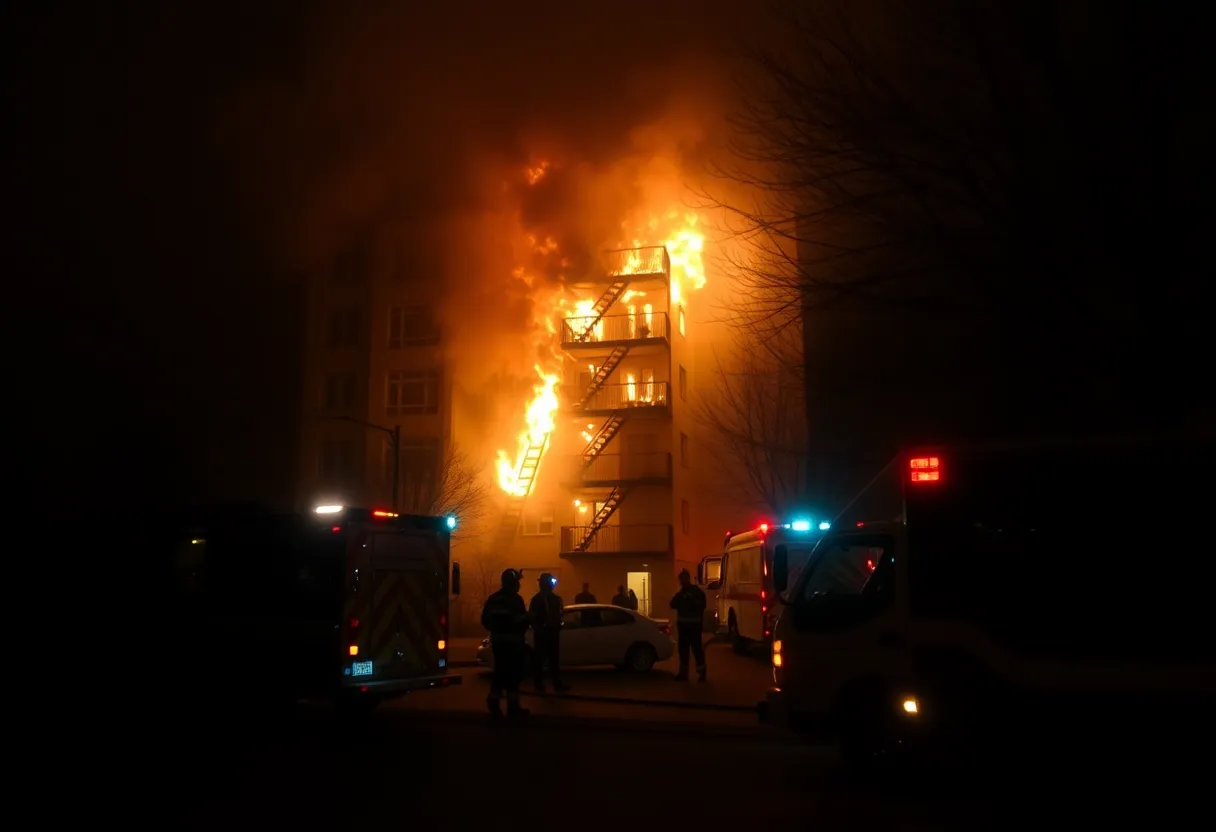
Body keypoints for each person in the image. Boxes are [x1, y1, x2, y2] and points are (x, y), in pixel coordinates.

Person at [481, 568, 532, 718]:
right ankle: (511, 706)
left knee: (501, 673)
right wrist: (528, 619)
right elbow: (520, 620)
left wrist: (496, 631)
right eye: (517, 581)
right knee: (514, 675)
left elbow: (485, 620)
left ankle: (496, 702)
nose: (518, 585)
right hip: (513, 643)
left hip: (499, 642)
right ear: (512, 582)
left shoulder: (493, 599)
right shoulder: (516, 600)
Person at [529, 573, 570, 693]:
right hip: (542, 634)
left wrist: (558, 624)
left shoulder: (555, 599)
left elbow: (558, 614)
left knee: (553, 660)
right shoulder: (537, 600)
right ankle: (539, 685)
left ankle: (556, 683)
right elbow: (532, 618)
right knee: (540, 660)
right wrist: (539, 627)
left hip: (552, 633)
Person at [670, 569, 707, 682]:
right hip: (684, 627)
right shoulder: (681, 593)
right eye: (680, 579)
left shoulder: (695, 592)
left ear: (687, 579)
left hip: (693, 626)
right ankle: (684, 673)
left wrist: (691, 601)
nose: (681, 581)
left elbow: (702, 605)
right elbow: (672, 604)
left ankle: (702, 673)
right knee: (683, 650)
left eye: (683, 579)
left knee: (696, 649)